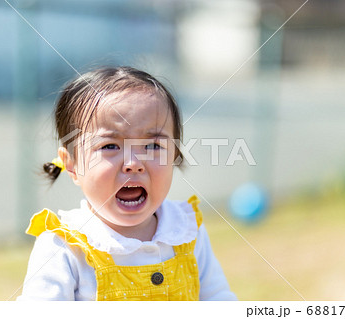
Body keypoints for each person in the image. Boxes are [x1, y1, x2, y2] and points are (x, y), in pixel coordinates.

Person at [18, 67, 237, 301]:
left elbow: (218, 299)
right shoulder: (64, 247)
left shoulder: (186, 231)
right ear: (72, 165)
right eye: (110, 146)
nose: (134, 163)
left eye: (153, 146)